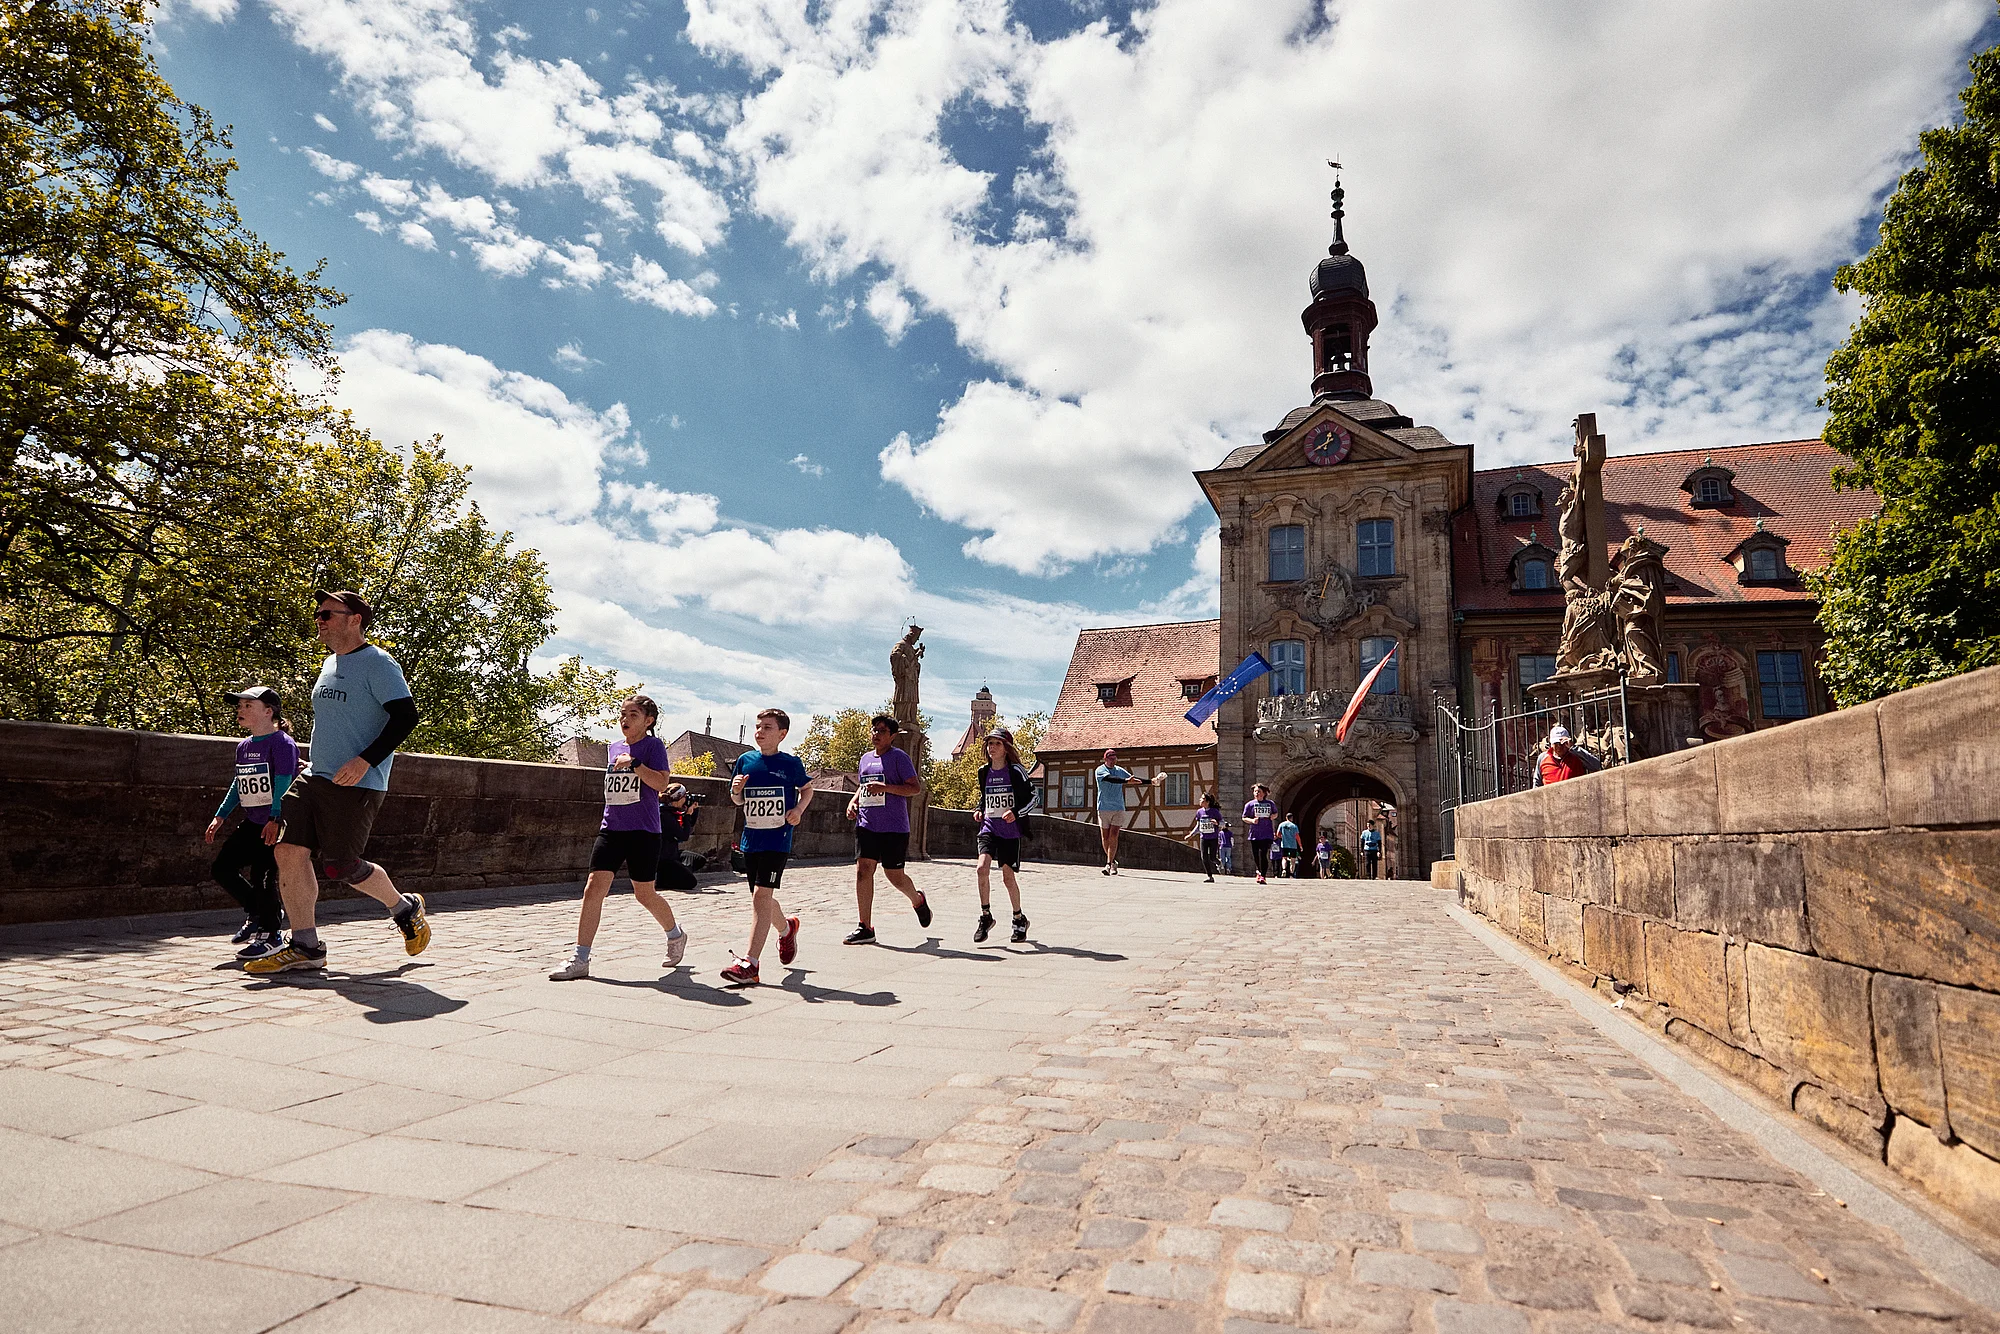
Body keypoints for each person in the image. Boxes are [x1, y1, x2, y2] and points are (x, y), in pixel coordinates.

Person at [247, 591, 429, 974]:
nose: (320, 619)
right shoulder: (329, 663)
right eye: (318, 614)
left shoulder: (379, 663)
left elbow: (405, 717)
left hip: (357, 782)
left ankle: (404, 907)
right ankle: (306, 946)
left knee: (341, 867)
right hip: (314, 775)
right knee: (287, 851)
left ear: (355, 619)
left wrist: (365, 760)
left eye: (328, 613)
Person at [549, 696, 689, 981]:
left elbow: (662, 783)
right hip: (611, 828)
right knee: (593, 888)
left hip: (643, 831)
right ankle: (581, 957)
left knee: (644, 894)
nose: (625, 719)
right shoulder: (613, 748)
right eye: (622, 714)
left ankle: (675, 934)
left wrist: (635, 763)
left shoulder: (653, 746)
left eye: (633, 714)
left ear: (648, 720)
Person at [206, 686, 298, 962]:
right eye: (240, 706)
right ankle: (256, 911)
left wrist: (275, 818)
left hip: (275, 823)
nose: (241, 710)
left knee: (263, 878)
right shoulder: (244, 746)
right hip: (253, 821)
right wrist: (220, 815)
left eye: (248, 705)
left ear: (268, 711)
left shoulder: (282, 743)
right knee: (222, 868)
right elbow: (239, 784)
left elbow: (283, 783)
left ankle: (271, 935)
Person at [723, 709, 813, 985]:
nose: (760, 731)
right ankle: (787, 929)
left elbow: (808, 789)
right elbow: (737, 800)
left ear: (782, 734)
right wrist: (736, 790)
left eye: (767, 727)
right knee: (760, 898)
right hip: (752, 839)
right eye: (758, 726)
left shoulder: (790, 764)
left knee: (761, 897)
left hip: (777, 839)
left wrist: (798, 809)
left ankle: (749, 964)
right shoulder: (745, 761)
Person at [843, 715, 930, 945]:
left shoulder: (899, 758)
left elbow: (914, 788)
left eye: (882, 730)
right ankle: (865, 927)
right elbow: (863, 787)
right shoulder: (865, 759)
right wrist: (853, 803)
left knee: (895, 876)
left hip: (894, 827)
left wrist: (887, 788)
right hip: (867, 824)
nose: (876, 733)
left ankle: (917, 899)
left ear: (892, 735)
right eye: (874, 729)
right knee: (863, 870)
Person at [972, 728, 1036, 943]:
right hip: (989, 827)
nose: (992, 748)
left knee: (1008, 877)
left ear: (1006, 748)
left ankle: (1019, 918)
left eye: (997, 744)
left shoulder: (1016, 771)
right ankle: (985, 916)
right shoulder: (983, 771)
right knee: (981, 868)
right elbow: (985, 796)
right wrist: (980, 809)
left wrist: (1016, 813)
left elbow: (1033, 797)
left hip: (1010, 831)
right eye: (989, 743)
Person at [1093, 748, 1164, 875]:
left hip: (1118, 807)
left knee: (1114, 835)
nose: (1113, 761)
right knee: (1105, 837)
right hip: (1104, 807)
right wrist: (1126, 781)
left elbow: (1133, 779)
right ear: (1105, 759)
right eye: (1110, 758)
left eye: (1114, 758)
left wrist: (1151, 782)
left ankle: (1108, 864)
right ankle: (1113, 861)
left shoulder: (1119, 770)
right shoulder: (1100, 770)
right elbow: (1111, 779)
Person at [1533, 724, 1603, 787]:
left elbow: (1597, 766)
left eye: (1562, 743)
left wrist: (1574, 748)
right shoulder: (1543, 758)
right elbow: (1537, 782)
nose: (1559, 747)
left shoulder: (1576, 755)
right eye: (1556, 743)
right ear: (1551, 744)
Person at [1184, 791, 1223, 883]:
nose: (1200, 800)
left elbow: (1222, 823)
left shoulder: (1215, 812)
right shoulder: (1199, 812)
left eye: (1202, 799)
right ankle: (1210, 876)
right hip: (1204, 837)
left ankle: (1219, 863)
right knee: (1204, 857)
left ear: (1207, 802)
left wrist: (1217, 823)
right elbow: (1198, 826)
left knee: (1212, 857)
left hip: (1213, 837)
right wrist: (1191, 835)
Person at [1242, 784, 1277, 884]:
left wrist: (1272, 817)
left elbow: (1275, 813)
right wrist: (1252, 821)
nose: (1257, 793)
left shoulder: (1270, 803)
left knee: (1263, 854)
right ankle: (1259, 870)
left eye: (1259, 791)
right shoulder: (1249, 804)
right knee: (1256, 855)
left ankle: (1263, 875)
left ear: (1264, 793)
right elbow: (1244, 817)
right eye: (1255, 791)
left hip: (1266, 833)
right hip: (1254, 834)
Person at [1276, 812, 1303, 878]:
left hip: (1284, 844)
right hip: (1293, 845)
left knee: (1284, 858)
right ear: (1292, 818)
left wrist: (1282, 837)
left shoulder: (1281, 825)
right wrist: (1300, 845)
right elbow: (1297, 836)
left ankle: (1284, 869)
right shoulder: (1294, 826)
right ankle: (1291, 874)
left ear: (1286, 817)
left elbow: (1278, 834)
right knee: (1293, 860)